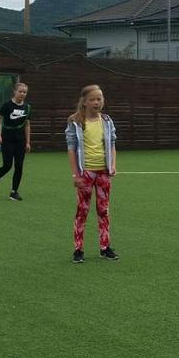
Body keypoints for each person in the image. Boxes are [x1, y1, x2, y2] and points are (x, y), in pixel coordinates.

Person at [66, 84, 118, 264]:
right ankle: (78, 249)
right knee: (82, 211)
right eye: (93, 99)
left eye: (100, 99)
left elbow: (112, 144)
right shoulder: (75, 122)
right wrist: (76, 175)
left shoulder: (107, 121)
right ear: (85, 102)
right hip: (86, 174)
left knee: (103, 210)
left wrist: (112, 165)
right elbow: (71, 149)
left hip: (103, 173)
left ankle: (105, 247)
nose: (97, 102)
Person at [0, 83, 32, 202]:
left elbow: (27, 125)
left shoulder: (27, 107)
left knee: (19, 166)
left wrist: (28, 142)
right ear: (15, 92)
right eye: (20, 91)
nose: (22, 94)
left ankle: (14, 192)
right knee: (7, 165)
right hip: (7, 139)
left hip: (20, 140)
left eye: (25, 92)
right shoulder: (7, 105)